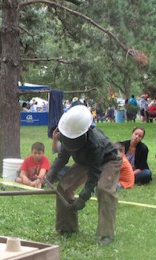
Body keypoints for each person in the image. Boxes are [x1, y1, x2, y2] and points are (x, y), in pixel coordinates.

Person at [46, 105, 122, 246]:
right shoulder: (66, 132)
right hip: (84, 160)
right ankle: (67, 228)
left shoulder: (95, 144)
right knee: (64, 186)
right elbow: (62, 157)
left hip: (108, 160)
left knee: (104, 190)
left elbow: (95, 172)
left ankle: (107, 234)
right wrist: (50, 174)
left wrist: (83, 198)